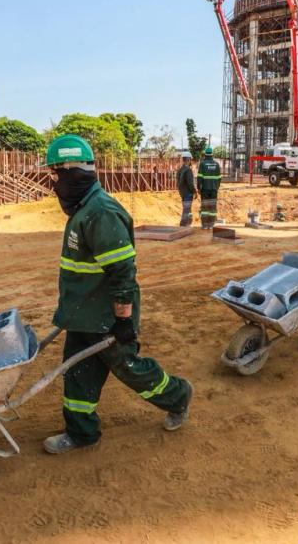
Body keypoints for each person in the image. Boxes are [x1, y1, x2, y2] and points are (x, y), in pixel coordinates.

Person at [42, 134, 194, 454]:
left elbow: (123, 273)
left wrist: (122, 320)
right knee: (78, 373)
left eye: (57, 174)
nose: (54, 182)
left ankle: (178, 396)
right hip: (83, 315)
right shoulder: (83, 210)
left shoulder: (100, 213)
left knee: (128, 368)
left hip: (107, 317)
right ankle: (82, 433)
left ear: (74, 172)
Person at [196, 146, 222, 229]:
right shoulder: (217, 164)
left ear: (205, 155)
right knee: (212, 207)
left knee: (205, 207)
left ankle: (204, 225)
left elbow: (199, 178)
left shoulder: (202, 164)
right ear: (212, 154)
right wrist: (216, 188)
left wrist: (198, 188)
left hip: (205, 190)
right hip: (214, 189)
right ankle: (211, 225)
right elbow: (219, 178)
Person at [176, 151, 196, 227]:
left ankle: (188, 224)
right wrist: (195, 191)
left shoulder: (180, 170)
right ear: (188, 160)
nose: (191, 161)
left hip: (183, 193)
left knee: (187, 209)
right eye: (190, 159)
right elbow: (190, 184)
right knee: (186, 210)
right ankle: (183, 225)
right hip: (188, 193)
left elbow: (178, 183)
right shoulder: (188, 170)